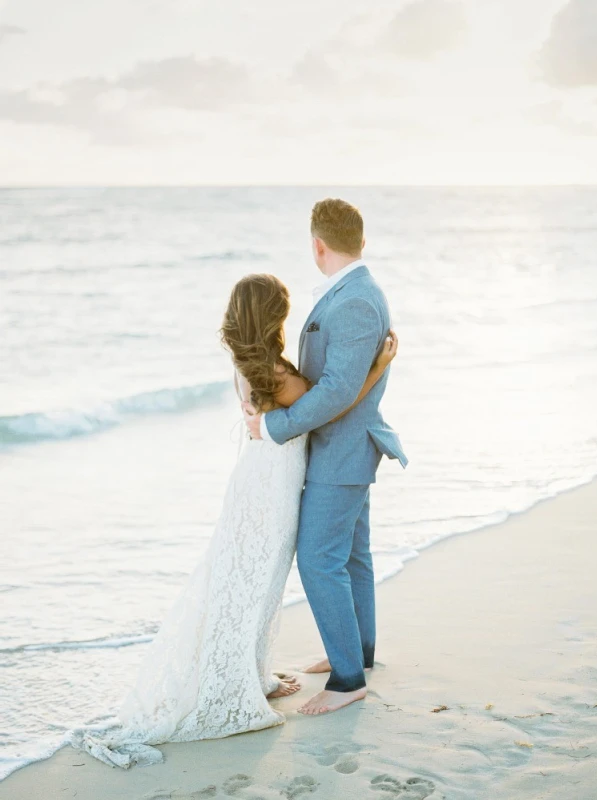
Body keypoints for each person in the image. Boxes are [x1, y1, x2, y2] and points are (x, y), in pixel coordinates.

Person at [72, 267, 397, 768]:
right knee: (258, 582)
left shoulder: (250, 363)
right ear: (273, 318)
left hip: (257, 483)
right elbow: (328, 406)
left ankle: (252, 673)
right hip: (272, 491)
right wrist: (377, 368)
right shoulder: (278, 375)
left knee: (247, 582)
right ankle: (238, 681)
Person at [243, 197, 408, 716]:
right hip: (344, 448)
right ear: (360, 240)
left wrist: (276, 426)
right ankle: (356, 653)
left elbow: (336, 391)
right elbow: (343, 383)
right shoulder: (351, 292)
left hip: (343, 450)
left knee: (318, 560)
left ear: (317, 244)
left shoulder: (355, 299)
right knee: (351, 556)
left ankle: (348, 679)